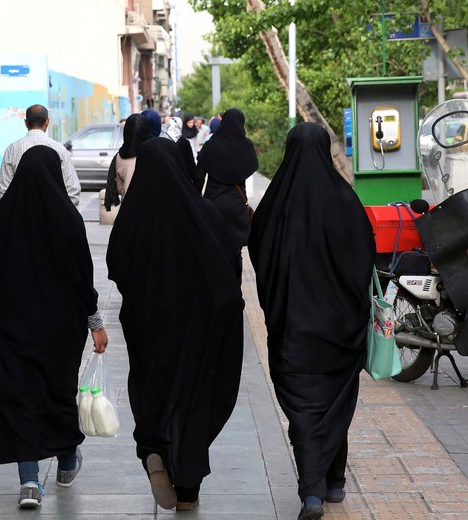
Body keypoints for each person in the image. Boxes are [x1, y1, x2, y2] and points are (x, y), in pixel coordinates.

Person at [107, 138, 243, 512]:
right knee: (193, 401)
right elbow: (229, 268)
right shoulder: (203, 213)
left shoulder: (132, 216)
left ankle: (153, 448)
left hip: (145, 327)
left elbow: (114, 266)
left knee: (153, 391)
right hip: (196, 330)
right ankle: (188, 491)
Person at [248, 122, 375, 520]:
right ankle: (332, 482)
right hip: (341, 331)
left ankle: (313, 492)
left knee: (304, 408)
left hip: (293, 331)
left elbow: (259, 260)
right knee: (336, 402)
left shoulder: (274, 206)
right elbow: (365, 260)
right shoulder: (345, 202)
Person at [0, 145, 108, 509]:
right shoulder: (67, 218)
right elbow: (84, 276)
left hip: (13, 329)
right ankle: (66, 463)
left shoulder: (1, 219)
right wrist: (95, 322)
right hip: (61, 332)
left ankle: (30, 482)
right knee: (58, 393)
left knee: (20, 399)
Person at [195, 108, 258, 277]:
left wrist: (195, 199)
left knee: (214, 251)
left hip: (213, 205)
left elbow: (199, 176)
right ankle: (234, 290)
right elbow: (251, 168)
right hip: (237, 207)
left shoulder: (211, 145)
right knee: (235, 251)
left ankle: (217, 291)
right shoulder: (246, 147)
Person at [0, 104, 81, 205]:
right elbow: (72, 189)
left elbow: (4, 191)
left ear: (26, 123)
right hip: (54, 216)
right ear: (47, 122)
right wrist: (62, 213)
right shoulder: (59, 149)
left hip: (21, 216)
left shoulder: (12, 149)